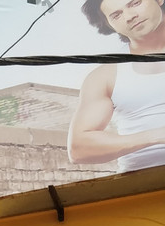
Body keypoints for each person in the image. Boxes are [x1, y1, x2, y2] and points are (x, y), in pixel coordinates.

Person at [69, 0, 165, 171]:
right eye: (116, 15)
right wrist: (156, 136)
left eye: (135, 3)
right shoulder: (105, 76)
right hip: (142, 182)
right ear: (109, 24)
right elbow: (78, 149)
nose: (129, 17)